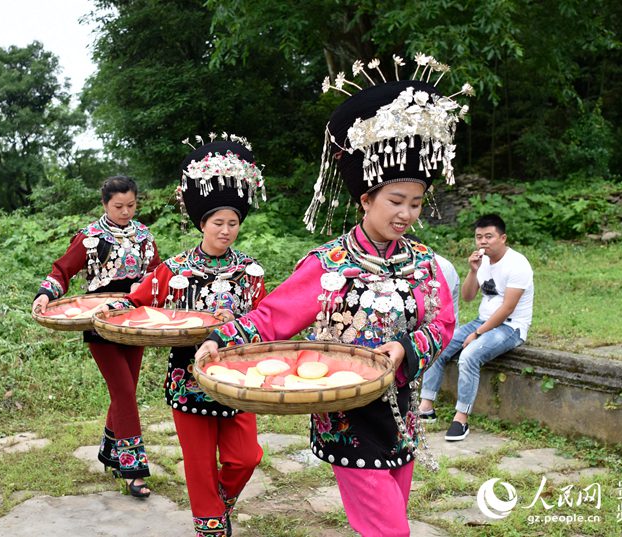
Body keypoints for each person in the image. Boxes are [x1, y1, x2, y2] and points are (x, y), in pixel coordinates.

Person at [197, 57, 471, 536]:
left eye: (416, 202)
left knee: (390, 521)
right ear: (366, 198)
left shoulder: (425, 263)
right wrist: (223, 338)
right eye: (395, 201)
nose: (406, 213)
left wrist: (406, 349)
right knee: (391, 531)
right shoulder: (329, 263)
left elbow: (442, 325)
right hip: (345, 415)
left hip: (401, 413)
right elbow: (273, 316)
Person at [109, 135, 267, 536]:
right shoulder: (174, 268)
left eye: (233, 223)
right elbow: (138, 300)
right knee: (197, 464)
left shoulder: (250, 272)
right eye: (219, 223)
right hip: (188, 379)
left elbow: (265, 319)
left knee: (245, 458)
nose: (227, 230)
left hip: (237, 380)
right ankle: (210, 526)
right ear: (202, 224)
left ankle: (220, 502)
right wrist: (117, 310)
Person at [31, 176, 161, 497]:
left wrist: (146, 287)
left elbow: (157, 275)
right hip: (99, 322)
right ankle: (133, 469)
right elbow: (63, 270)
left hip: (134, 322)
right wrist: (45, 293)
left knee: (125, 389)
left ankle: (109, 451)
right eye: (119, 206)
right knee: (125, 392)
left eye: (131, 205)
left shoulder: (144, 236)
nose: (126, 212)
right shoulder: (90, 238)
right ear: (104, 204)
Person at [418, 213, 534, 442]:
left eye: (489, 236)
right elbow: (468, 296)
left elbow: (508, 308)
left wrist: (477, 334)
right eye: (479, 237)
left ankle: (461, 418)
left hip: (511, 327)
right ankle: (426, 407)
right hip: (482, 321)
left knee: (469, 355)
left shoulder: (518, 264)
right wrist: (473, 270)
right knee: (438, 344)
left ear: (503, 238)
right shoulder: (483, 262)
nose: (483, 241)